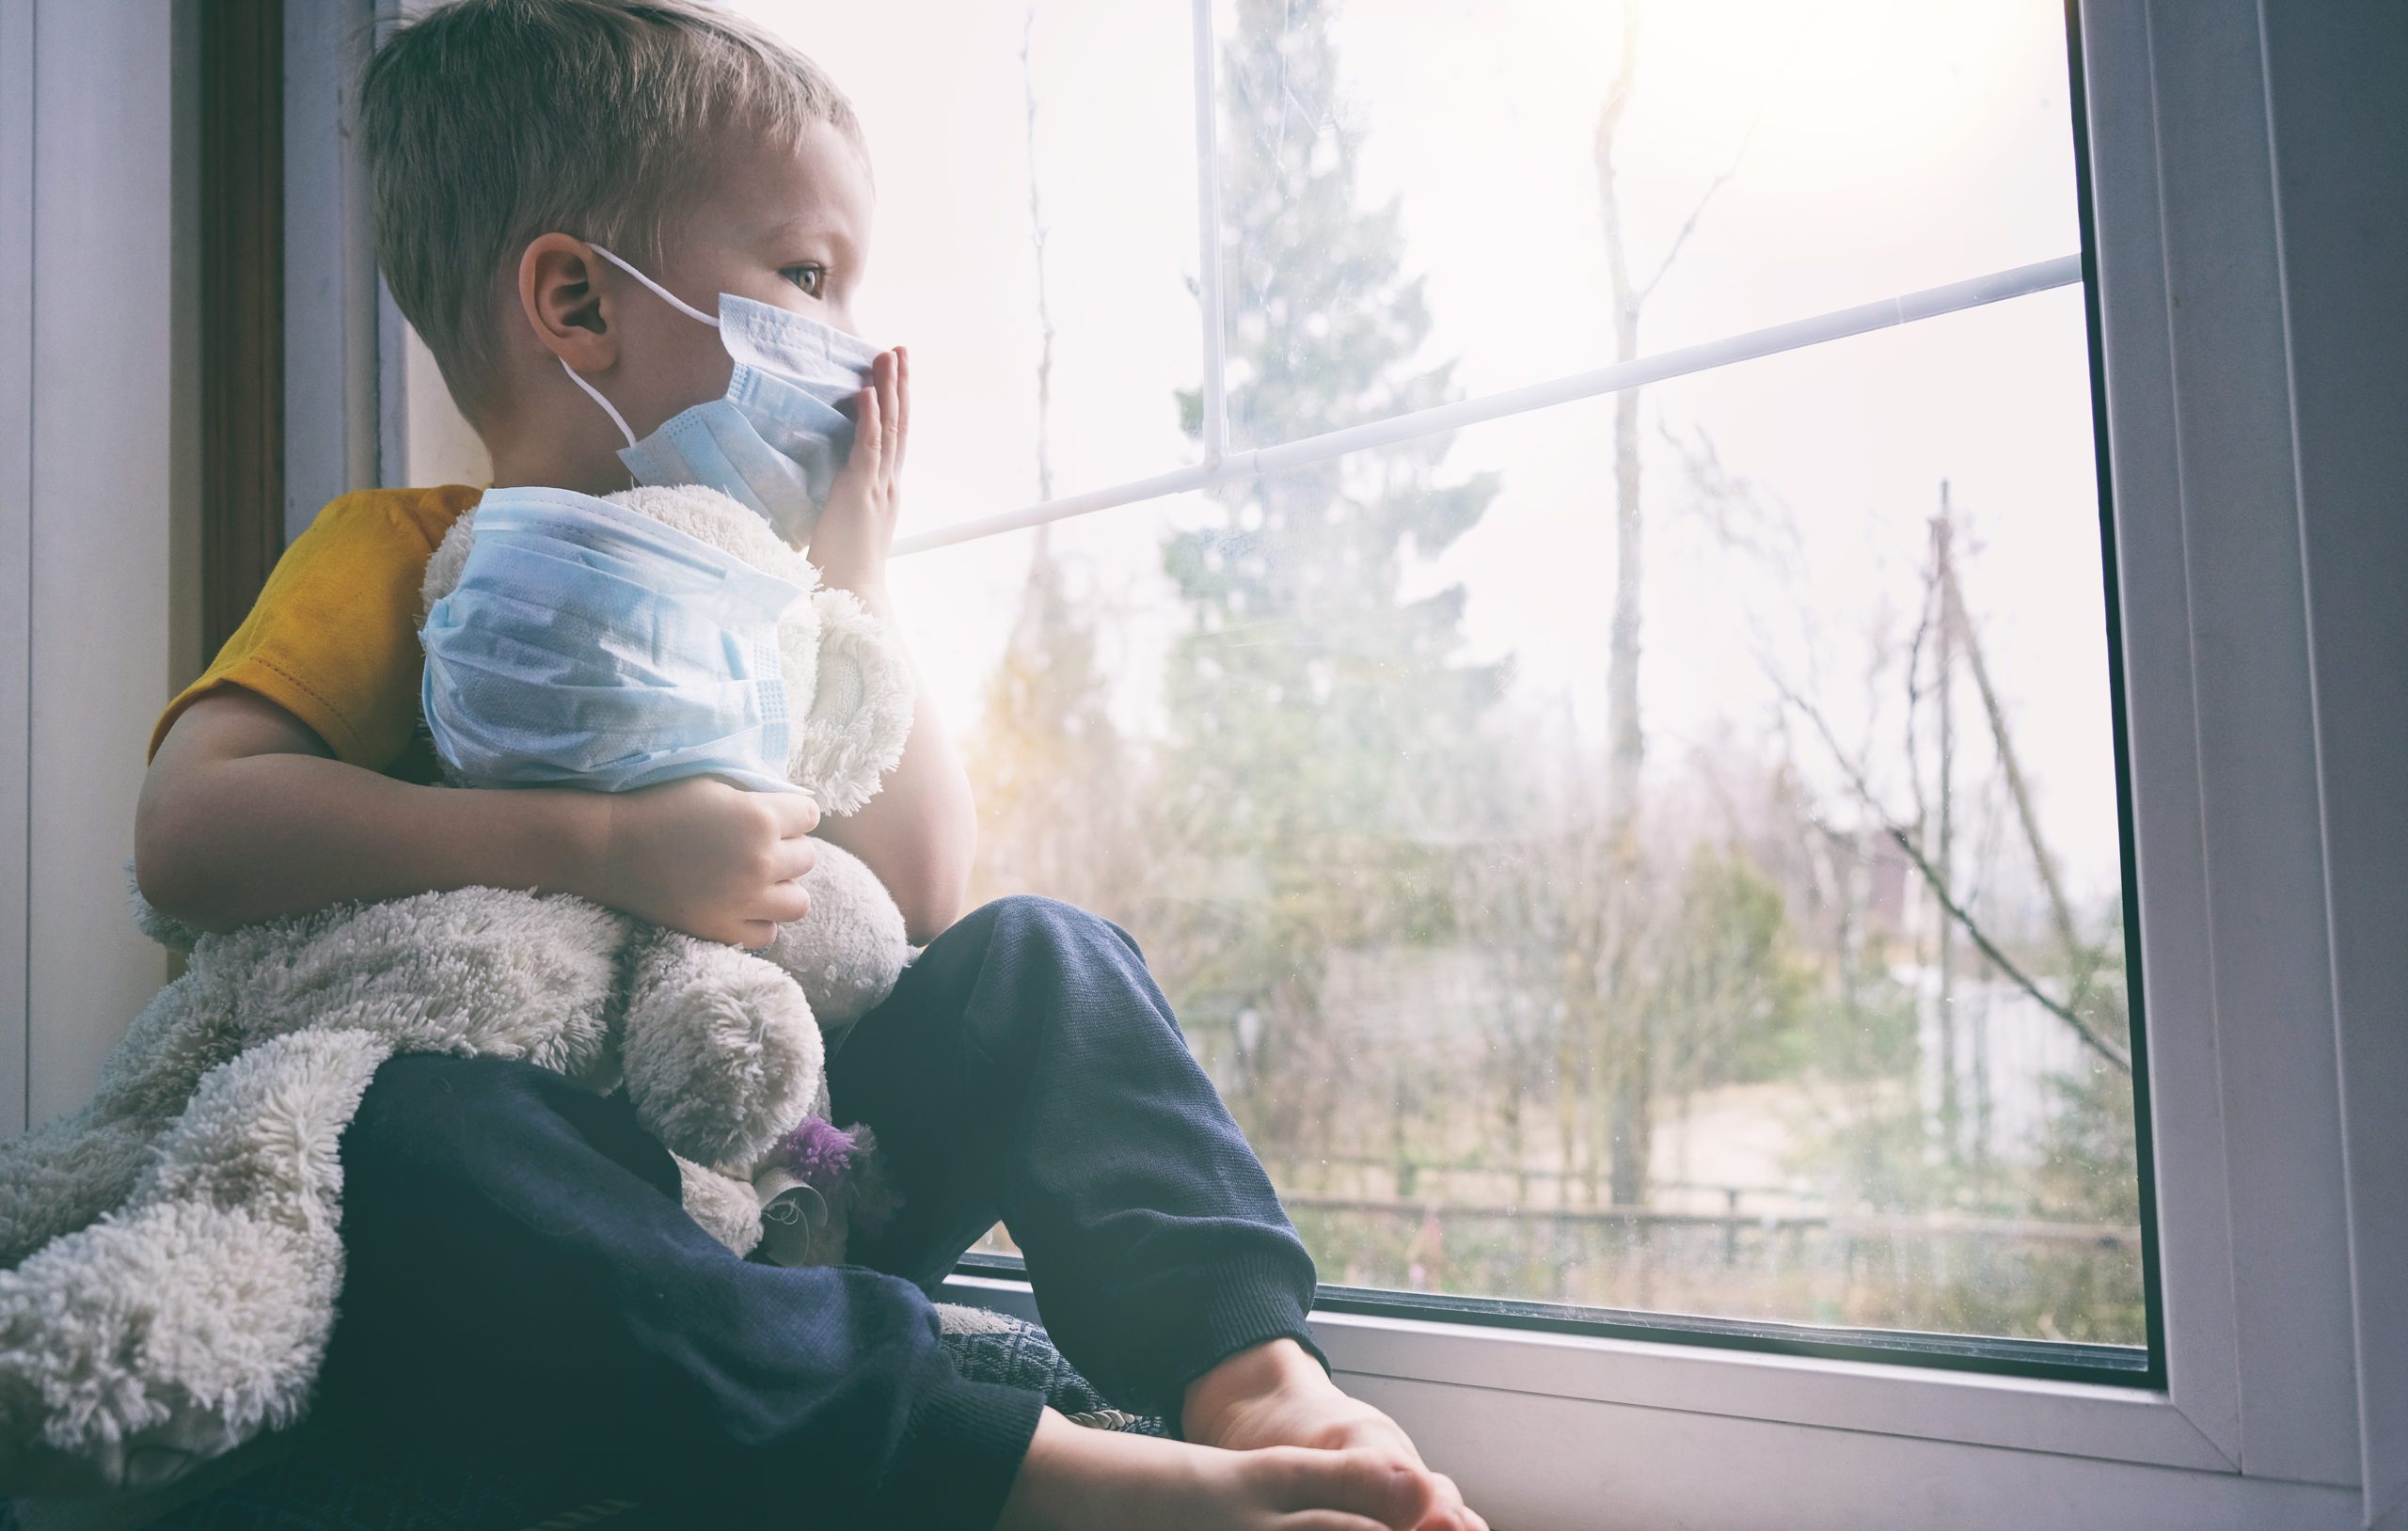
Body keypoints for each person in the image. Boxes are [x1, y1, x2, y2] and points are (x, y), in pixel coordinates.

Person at [132, 3, 1485, 1527]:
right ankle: (1031, 1475)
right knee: (417, 1133)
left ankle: (1250, 1380)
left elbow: (919, 893)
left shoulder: (781, 598)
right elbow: (191, 829)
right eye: (804, 278)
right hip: (558, 1235)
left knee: (1051, 955)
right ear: (578, 301)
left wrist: (853, 587)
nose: (854, 344)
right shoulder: (403, 555)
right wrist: (598, 851)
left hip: (786, 1176)